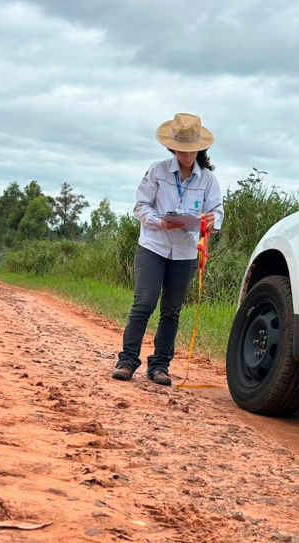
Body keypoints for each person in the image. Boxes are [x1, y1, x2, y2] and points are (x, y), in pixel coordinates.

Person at [113, 113, 224, 386]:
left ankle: (160, 366)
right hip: (153, 245)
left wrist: (211, 220)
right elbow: (140, 206)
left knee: (172, 310)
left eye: (192, 150)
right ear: (172, 147)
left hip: (185, 253)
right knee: (144, 302)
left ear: (200, 148)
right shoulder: (157, 171)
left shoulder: (208, 180)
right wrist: (160, 222)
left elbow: (217, 214)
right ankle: (127, 361)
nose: (186, 155)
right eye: (181, 149)